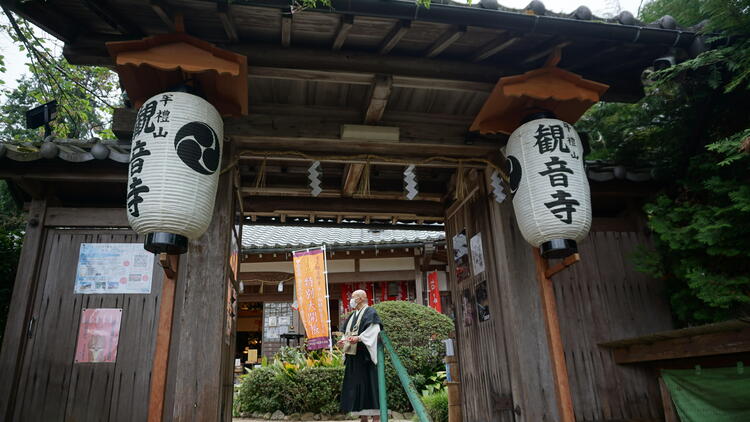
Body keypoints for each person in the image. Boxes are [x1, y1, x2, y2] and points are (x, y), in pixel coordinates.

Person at [338, 289, 383, 421]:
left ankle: (376, 418)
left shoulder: (370, 312)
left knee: (370, 386)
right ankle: (363, 417)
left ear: (362, 298)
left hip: (366, 357)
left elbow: (374, 330)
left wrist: (359, 338)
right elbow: (347, 333)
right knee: (357, 387)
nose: (351, 300)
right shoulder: (353, 315)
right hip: (353, 356)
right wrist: (344, 340)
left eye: (354, 297)